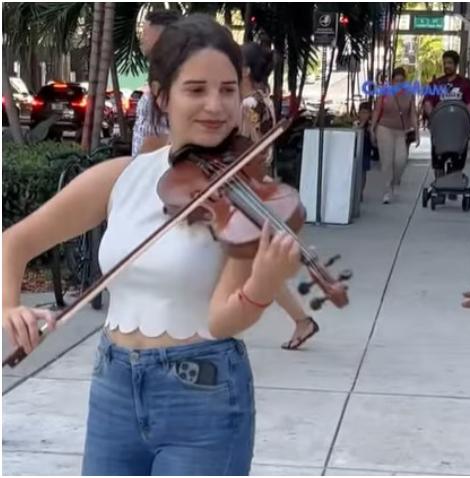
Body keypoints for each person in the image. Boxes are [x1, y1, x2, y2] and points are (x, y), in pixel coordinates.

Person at [3, 15, 301, 475]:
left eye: (227, 89)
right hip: (113, 387)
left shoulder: (244, 193)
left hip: (203, 395)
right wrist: (11, 308)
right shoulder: (121, 177)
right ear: (162, 96)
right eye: (196, 89)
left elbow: (223, 320)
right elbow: (15, 242)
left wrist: (262, 285)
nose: (216, 105)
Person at [238, 41, 319, 350]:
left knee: (248, 263)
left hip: (246, 189)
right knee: (252, 264)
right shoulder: (264, 101)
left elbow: (241, 149)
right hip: (259, 185)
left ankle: (300, 320)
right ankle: (301, 320)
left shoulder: (246, 106)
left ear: (244, 70)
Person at [131, 9, 181, 158]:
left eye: (145, 33)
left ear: (162, 36)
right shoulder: (156, 74)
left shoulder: (176, 78)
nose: (141, 38)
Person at [370, 67, 419, 205]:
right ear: (392, 81)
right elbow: (377, 110)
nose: (399, 83)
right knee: (387, 162)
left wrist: (416, 131)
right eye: (396, 81)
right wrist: (372, 128)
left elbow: (413, 114)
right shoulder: (384, 93)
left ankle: (394, 181)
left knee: (401, 161)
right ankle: (387, 190)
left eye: (402, 81)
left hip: (400, 131)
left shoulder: (409, 94)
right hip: (384, 128)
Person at [423, 50, 470, 116]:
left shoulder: (466, 83)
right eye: (444, 63)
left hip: (459, 123)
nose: (446, 66)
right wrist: (433, 119)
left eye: (449, 63)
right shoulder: (435, 84)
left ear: (456, 64)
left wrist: (462, 119)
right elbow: (427, 103)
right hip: (439, 122)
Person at [355, 102, 378, 203]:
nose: (364, 115)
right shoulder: (355, 124)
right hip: (355, 151)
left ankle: (360, 192)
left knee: (363, 173)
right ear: (359, 113)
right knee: (356, 173)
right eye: (362, 112)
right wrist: (362, 125)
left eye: (366, 113)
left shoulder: (371, 126)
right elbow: (354, 133)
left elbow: (374, 143)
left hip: (366, 152)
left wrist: (371, 131)